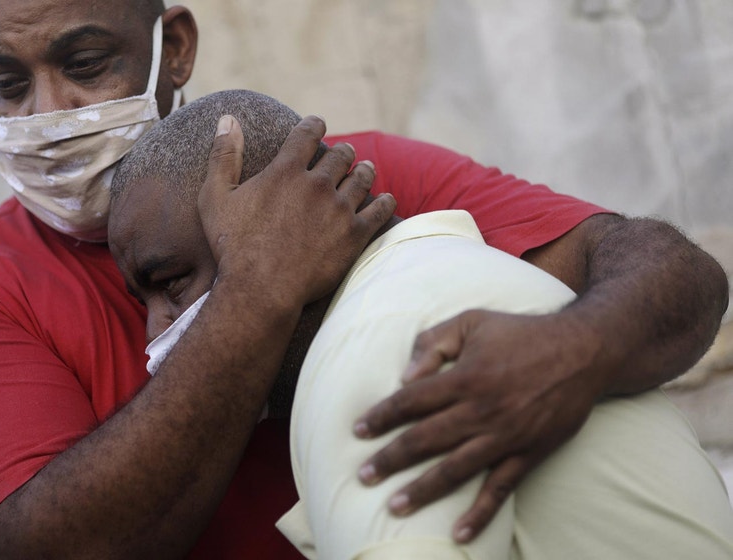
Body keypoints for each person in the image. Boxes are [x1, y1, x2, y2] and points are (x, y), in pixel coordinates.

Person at [0, 0, 728, 558]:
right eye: (7, 84)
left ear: (172, 49)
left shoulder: (344, 180)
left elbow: (670, 272)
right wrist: (258, 294)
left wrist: (572, 352)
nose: (49, 114)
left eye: (87, 61)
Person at [108, 88, 733, 559]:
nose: (153, 334)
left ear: (279, 215)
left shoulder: (377, 351)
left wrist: (582, 345)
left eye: (171, 283)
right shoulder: (426, 276)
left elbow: (675, 267)